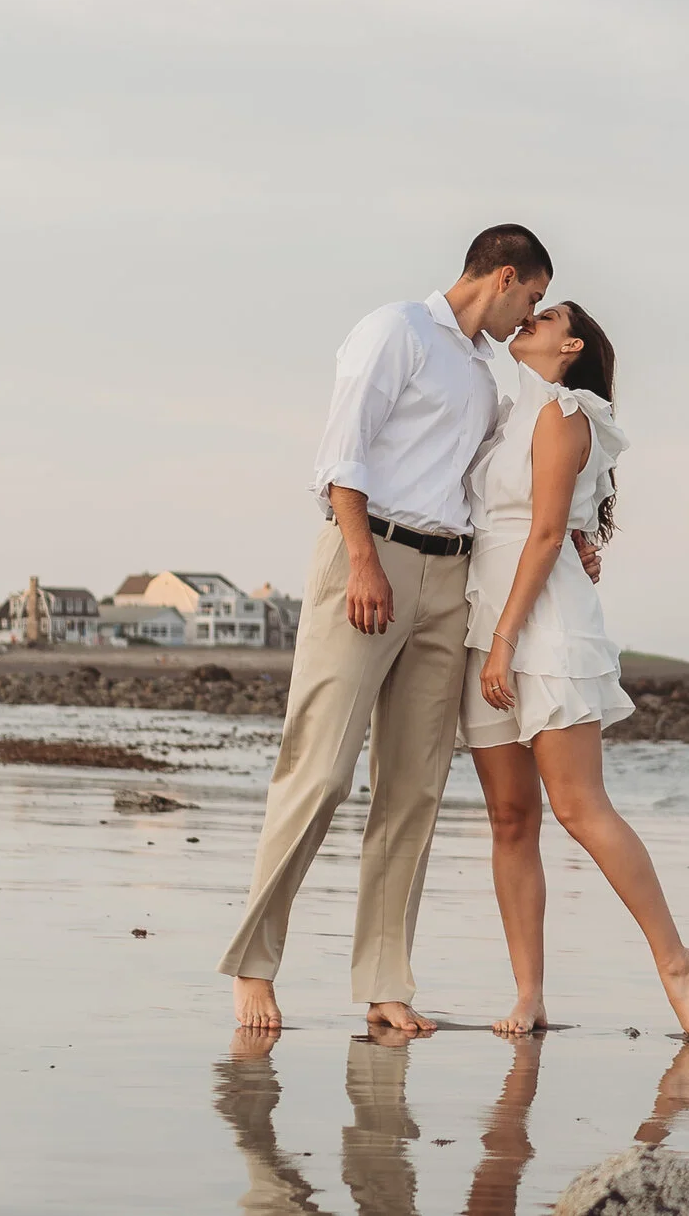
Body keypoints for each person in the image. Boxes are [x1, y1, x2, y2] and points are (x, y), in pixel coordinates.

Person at [218, 225, 597, 1034]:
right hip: (372, 558)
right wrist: (361, 559)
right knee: (318, 770)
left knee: (413, 789)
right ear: (503, 276)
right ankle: (255, 963)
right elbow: (340, 453)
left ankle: (386, 981)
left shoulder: (488, 374)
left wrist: (586, 530)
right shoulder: (396, 330)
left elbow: (529, 471)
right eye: (530, 298)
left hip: (450, 579)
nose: (528, 314)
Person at [464, 300, 689, 1040]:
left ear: (569, 344)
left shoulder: (565, 412)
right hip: (489, 620)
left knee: (578, 807)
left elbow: (545, 534)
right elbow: (547, 525)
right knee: (510, 818)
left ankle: (676, 958)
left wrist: (506, 640)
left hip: (540, 627)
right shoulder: (508, 411)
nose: (526, 319)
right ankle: (529, 993)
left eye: (543, 316)